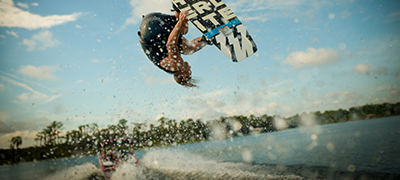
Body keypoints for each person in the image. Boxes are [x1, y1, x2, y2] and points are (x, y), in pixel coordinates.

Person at [138, 6, 211, 87]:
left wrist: (181, 22)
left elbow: (171, 45)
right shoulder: (170, 65)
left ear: (183, 75)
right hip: (150, 19)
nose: (190, 69)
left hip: (151, 29)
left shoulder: (176, 67)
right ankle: (178, 10)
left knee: (184, 35)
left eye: (189, 73)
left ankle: (208, 38)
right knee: (186, 46)